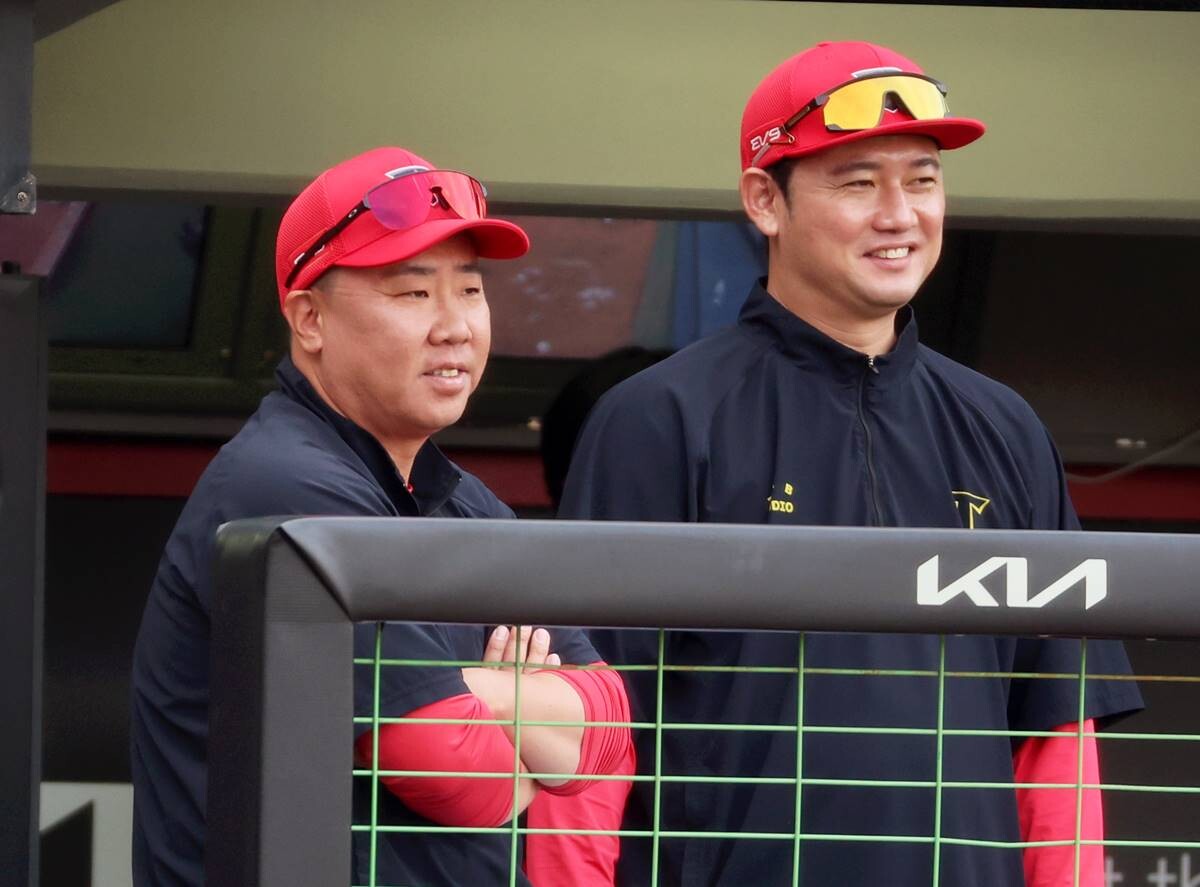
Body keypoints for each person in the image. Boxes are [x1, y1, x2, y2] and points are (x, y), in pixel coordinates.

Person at [559, 42, 1142, 887]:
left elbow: (1057, 733)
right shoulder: (660, 417)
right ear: (765, 200)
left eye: (923, 179)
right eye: (859, 182)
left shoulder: (1005, 426)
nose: (900, 214)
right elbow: (586, 733)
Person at [130, 146, 632, 887]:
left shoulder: (460, 497)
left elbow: (611, 732)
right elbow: (469, 781)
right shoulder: (284, 480)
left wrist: (477, 694)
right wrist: (522, 732)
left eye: (470, 288)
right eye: (412, 294)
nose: (456, 325)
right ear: (310, 318)